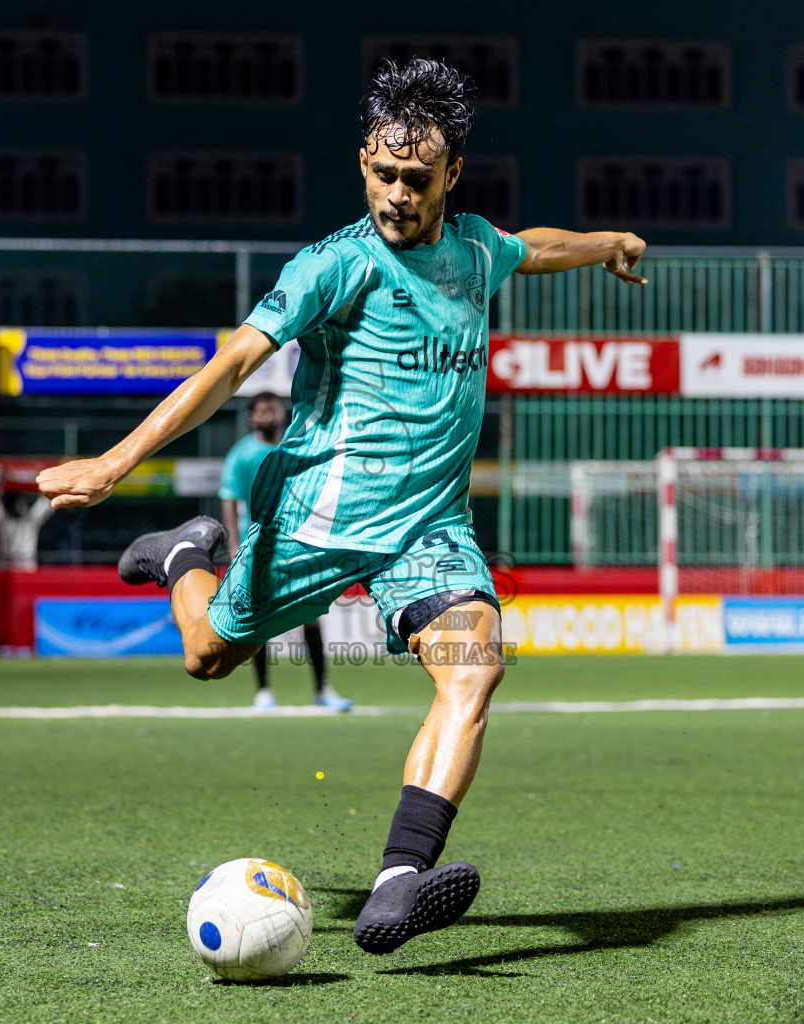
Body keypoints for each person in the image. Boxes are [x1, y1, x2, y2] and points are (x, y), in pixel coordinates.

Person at [37, 58, 647, 954]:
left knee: (475, 668)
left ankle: (400, 878)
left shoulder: (475, 250)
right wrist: (115, 462)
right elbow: (232, 366)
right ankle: (182, 557)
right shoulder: (333, 265)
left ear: (452, 175)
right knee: (207, 656)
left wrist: (608, 243)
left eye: (418, 178)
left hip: (429, 529)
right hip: (317, 516)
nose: (398, 193)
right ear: (363, 161)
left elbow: (534, 247)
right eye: (384, 173)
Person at [220, 392, 352, 712]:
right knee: (258, 619)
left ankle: (323, 689)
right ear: (251, 418)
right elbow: (229, 499)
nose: (268, 415)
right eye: (261, 410)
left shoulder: (297, 447)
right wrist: (234, 544)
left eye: (274, 409)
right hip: (257, 548)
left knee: (310, 617)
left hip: (298, 543)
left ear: (284, 414)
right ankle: (264, 692)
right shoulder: (241, 455)